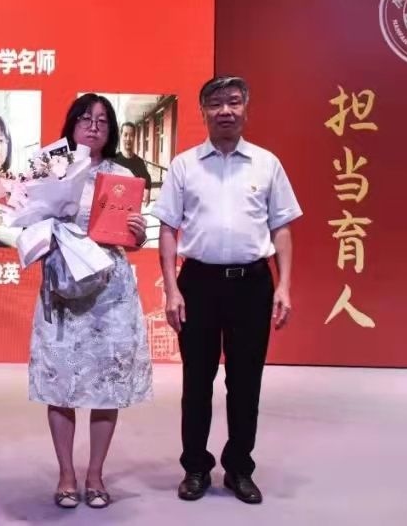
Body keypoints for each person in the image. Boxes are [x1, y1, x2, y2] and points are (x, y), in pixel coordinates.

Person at [152, 76, 301, 505]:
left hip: (252, 284)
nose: (225, 111)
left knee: (246, 382)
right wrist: (171, 290)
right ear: (203, 112)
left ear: (246, 108)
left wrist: (284, 285)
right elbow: (168, 230)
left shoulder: (266, 164)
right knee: (197, 382)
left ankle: (239, 468)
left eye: (233, 102)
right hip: (198, 284)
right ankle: (196, 467)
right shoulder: (184, 166)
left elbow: (281, 228)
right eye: (216, 104)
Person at [28, 93, 153, 509]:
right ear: (72, 125)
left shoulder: (123, 175)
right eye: (85, 118)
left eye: (102, 120)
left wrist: (137, 235)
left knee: (107, 386)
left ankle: (95, 474)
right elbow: (26, 220)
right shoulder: (50, 168)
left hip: (109, 292)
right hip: (63, 288)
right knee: (59, 385)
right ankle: (66, 474)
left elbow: (129, 242)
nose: (94, 126)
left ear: (110, 129)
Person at [114, 122, 152, 191]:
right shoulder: (114, 161)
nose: (128, 139)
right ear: (121, 136)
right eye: (125, 135)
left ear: (134, 137)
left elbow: (147, 185)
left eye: (131, 135)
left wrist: (147, 191)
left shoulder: (140, 163)